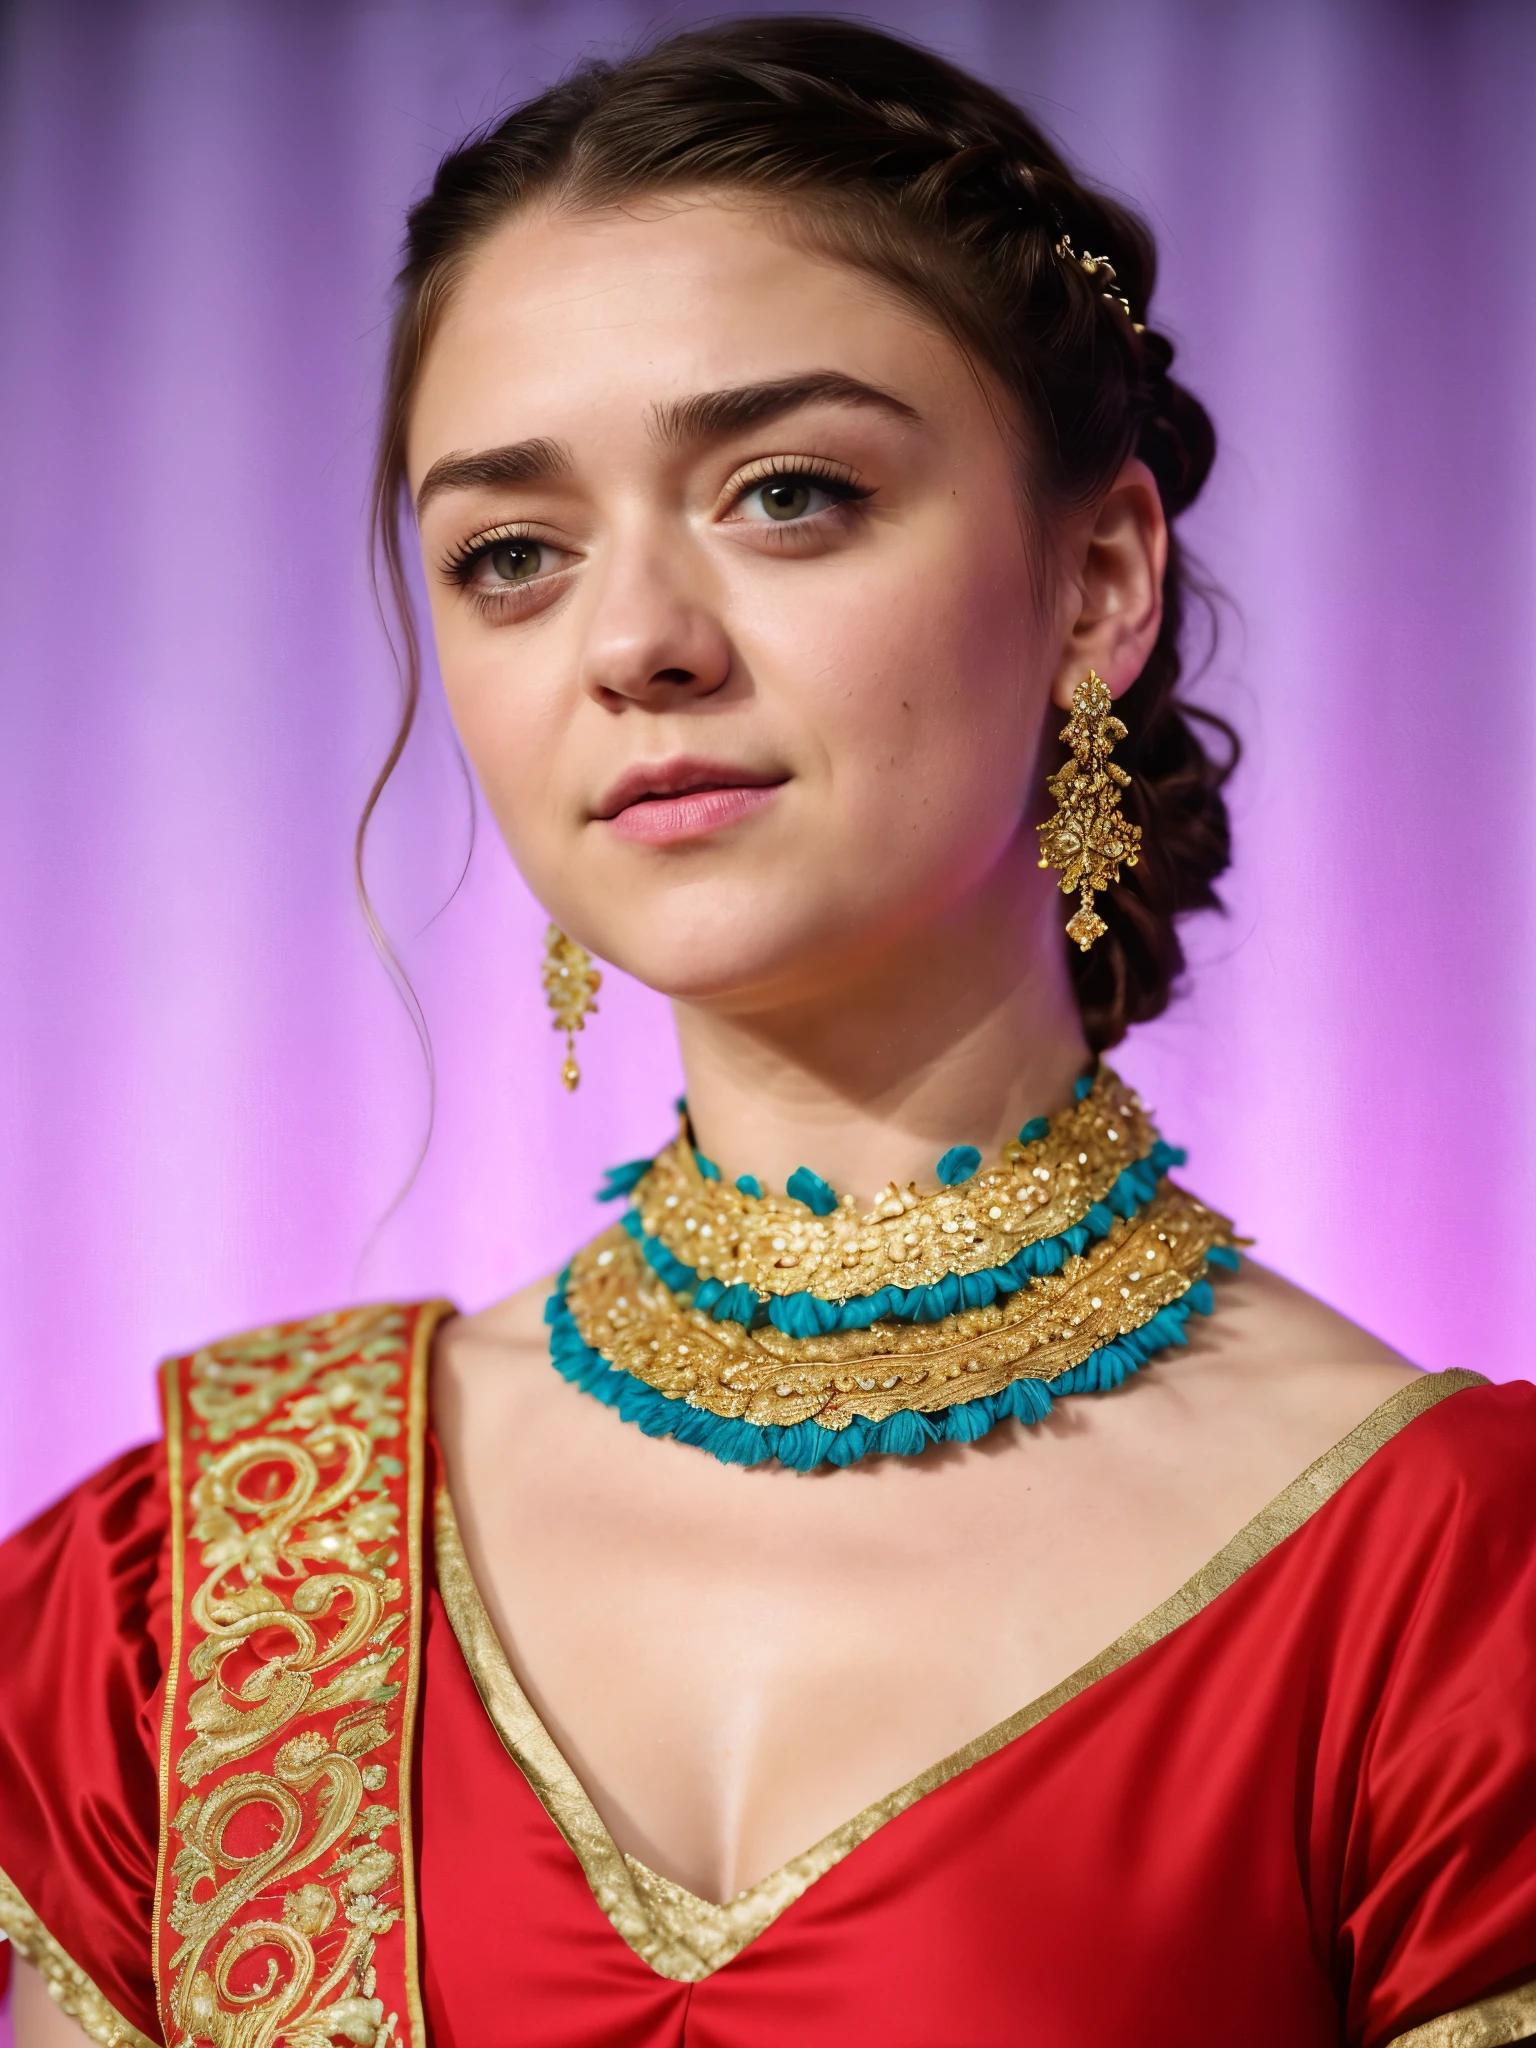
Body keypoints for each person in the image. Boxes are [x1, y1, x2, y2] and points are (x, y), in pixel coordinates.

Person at [3, 18, 1533, 2048]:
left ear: (1096, 580)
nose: (637, 641)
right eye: (514, 554)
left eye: (788, 492)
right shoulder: (188, 1595)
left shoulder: (1453, 1592)